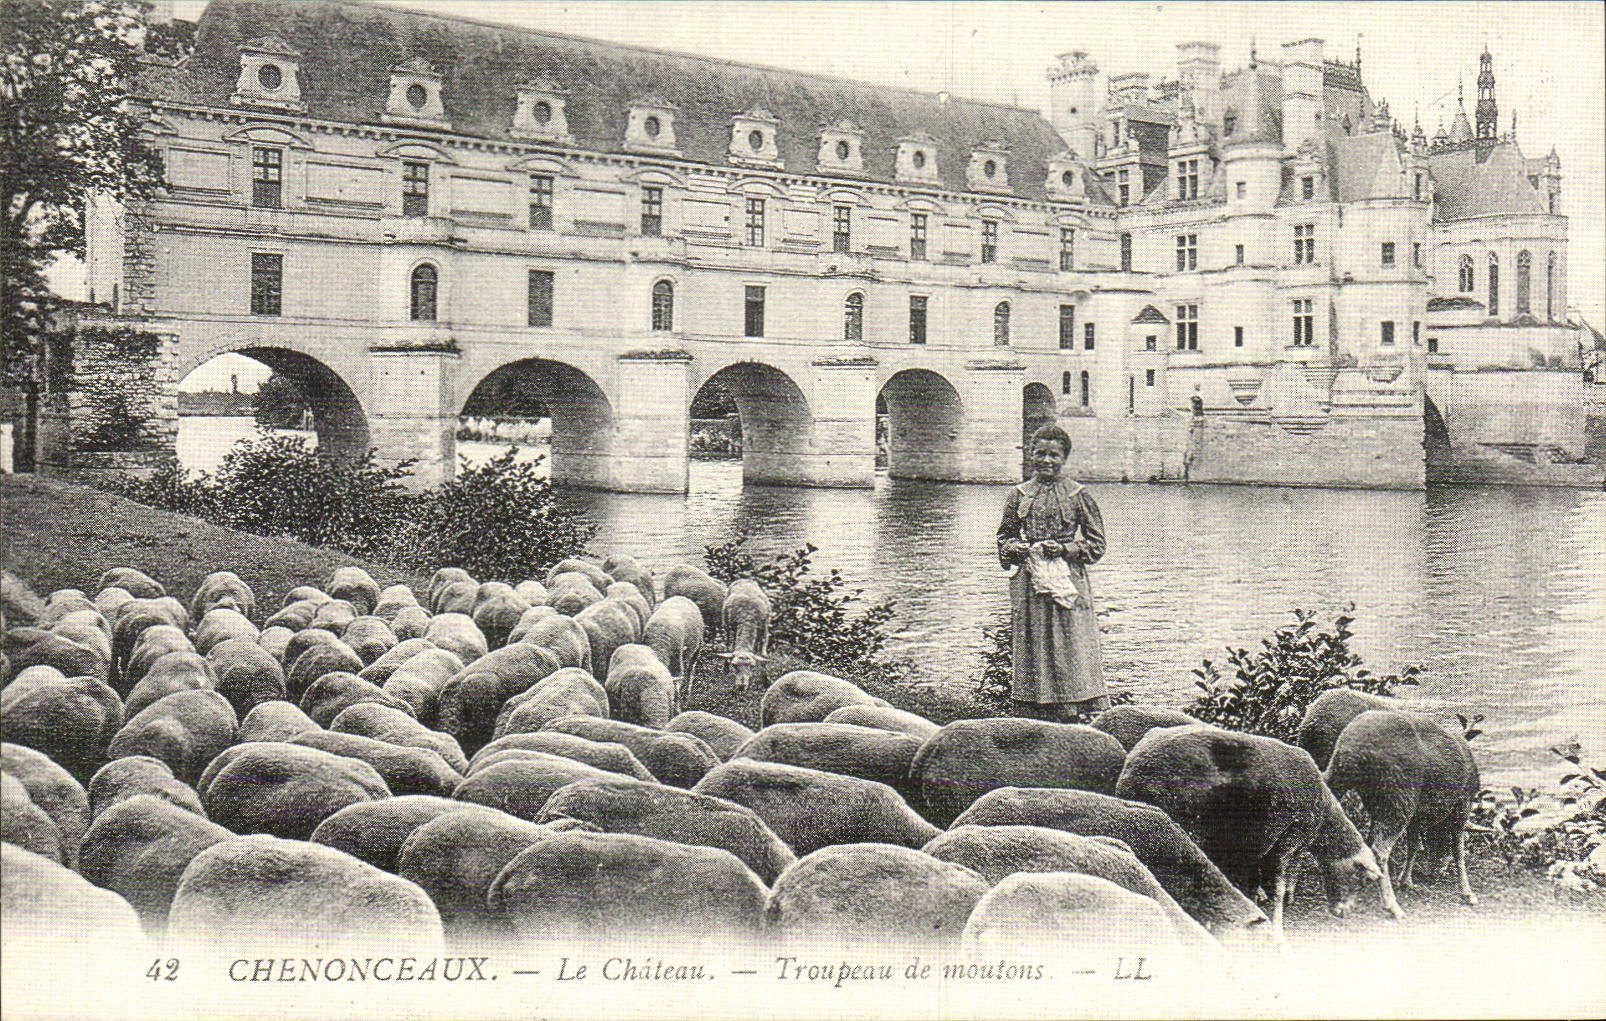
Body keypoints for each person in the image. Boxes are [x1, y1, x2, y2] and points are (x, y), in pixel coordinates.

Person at [996, 424, 1109, 721]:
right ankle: (1036, 713)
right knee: (1034, 641)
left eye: (1054, 455)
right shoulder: (1019, 494)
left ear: (1064, 458)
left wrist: (1066, 550)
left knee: (1069, 643)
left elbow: (1097, 544)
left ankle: (1072, 712)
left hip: (1067, 583)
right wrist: (1014, 549)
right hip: (1031, 582)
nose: (1046, 460)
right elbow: (1004, 536)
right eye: (1040, 453)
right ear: (1031, 455)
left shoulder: (1078, 495)